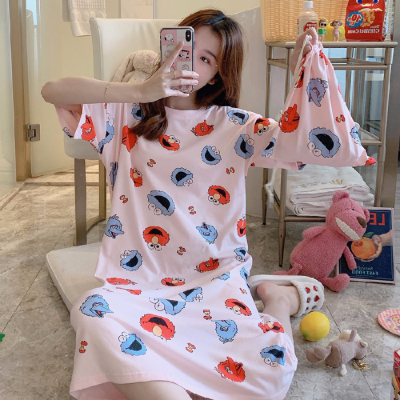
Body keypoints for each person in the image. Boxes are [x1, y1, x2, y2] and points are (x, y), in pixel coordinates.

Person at [42, 9, 325, 400]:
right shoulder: (124, 115)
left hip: (214, 279)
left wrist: (301, 78)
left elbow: (305, 145)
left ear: (217, 76)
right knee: (92, 311)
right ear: (167, 45)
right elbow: (52, 90)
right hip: (138, 284)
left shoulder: (236, 125)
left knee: (271, 375)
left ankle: (277, 299)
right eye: (185, 48)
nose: (189, 63)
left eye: (206, 58)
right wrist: (140, 91)